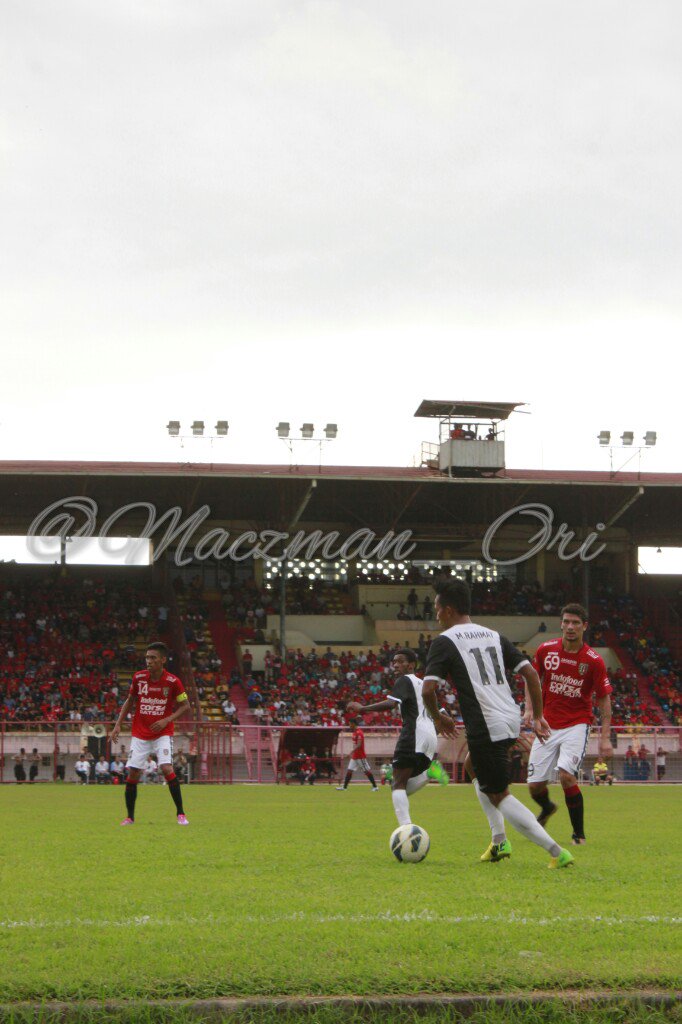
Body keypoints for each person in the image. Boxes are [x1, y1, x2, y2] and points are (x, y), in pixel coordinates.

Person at [422, 579, 573, 869]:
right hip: (508, 719)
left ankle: (556, 851)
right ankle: (499, 839)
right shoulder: (494, 635)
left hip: (485, 723)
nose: (436, 615)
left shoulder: (445, 642)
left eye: (437, 610)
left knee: (500, 794)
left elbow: (428, 690)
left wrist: (438, 717)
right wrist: (538, 716)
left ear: (449, 610)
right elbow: (530, 674)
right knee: (470, 765)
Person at [526, 604, 613, 845]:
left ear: (585, 626)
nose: (570, 627)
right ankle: (547, 807)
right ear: (561, 624)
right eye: (566, 622)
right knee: (534, 786)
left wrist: (605, 738)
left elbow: (604, 698)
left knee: (566, 776)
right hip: (547, 724)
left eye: (576, 623)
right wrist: (530, 709)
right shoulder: (546, 650)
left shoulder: (593, 660)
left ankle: (579, 835)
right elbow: (532, 677)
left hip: (577, 724)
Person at [345, 649, 440, 829]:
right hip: (430, 737)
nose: (395, 665)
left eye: (400, 661)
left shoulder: (404, 680)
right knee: (399, 785)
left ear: (411, 665)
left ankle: (406, 830)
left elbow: (391, 704)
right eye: (394, 662)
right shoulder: (425, 684)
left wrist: (362, 709)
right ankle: (429, 773)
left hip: (413, 734)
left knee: (398, 784)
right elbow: (440, 713)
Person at [110, 642, 191, 826]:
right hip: (140, 733)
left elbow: (185, 706)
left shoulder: (173, 682)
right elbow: (130, 701)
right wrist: (117, 725)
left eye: (153, 658)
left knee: (166, 768)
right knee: (133, 773)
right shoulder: (139, 678)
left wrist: (166, 719)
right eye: (147, 657)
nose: (149, 661)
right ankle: (130, 817)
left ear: (163, 660)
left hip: (162, 732)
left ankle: (181, 814)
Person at [336, 722, 378, 791]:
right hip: (355, 756)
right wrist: (353, 753)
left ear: (353, 724)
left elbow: (359, 745)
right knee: (349, 770)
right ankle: (344, 787)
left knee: (367, 771)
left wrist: (351, 752)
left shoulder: (359, 733)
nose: (349, 726)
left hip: (360, 756)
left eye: (350, 724)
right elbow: (355, 745)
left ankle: (375, 787)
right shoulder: (354, 733)